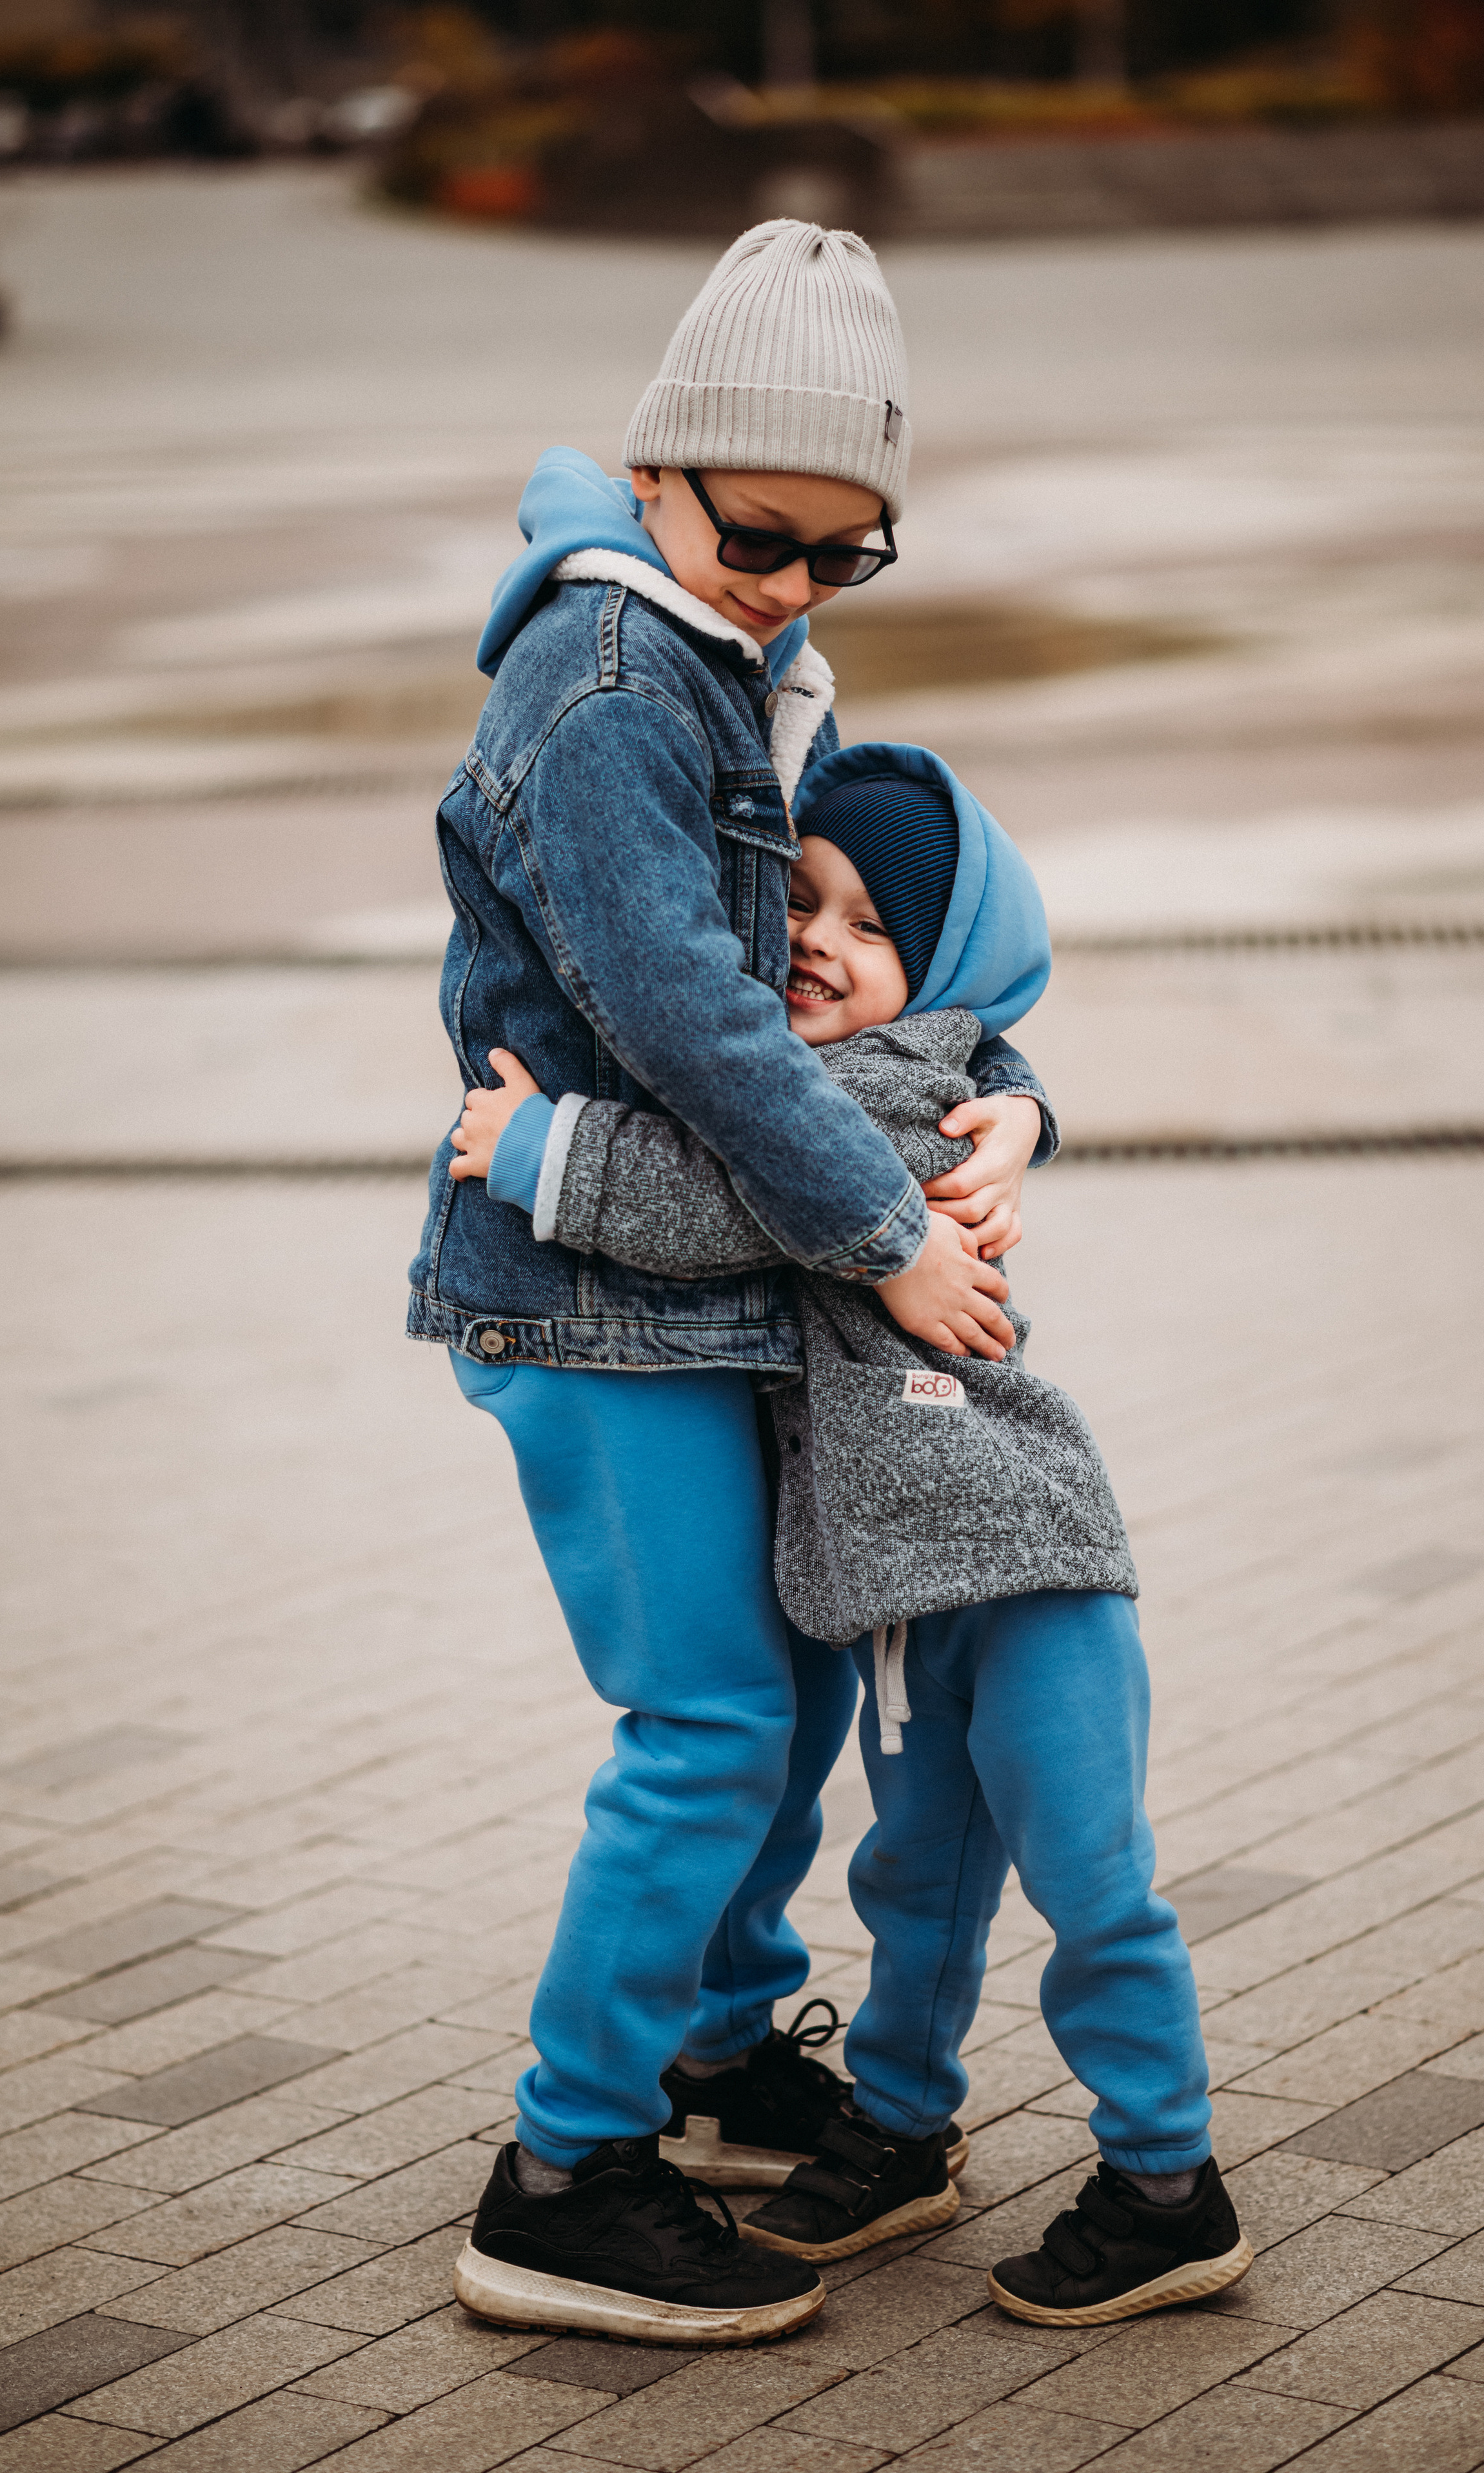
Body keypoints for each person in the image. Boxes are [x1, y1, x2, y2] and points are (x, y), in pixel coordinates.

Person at [408, 220, 1055, 2346]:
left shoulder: (732, 661)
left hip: (704, 1286)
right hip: (592, 1300)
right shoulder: (606, 687)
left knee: (766, 1709)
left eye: (844, 556)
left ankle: (714, 2038)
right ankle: (562, 2172)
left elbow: (875, 968)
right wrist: (883, 1238)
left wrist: (1012, 1103)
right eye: (763, 538)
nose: (794, 584)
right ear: (664, 467)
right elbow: (695, 1021)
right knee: (703, 1721)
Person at [455, 743, 1254, 2330]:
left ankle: (1165, 2183)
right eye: (797, 900)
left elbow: (745, 1194)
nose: (813, 937)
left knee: (1090, 1883)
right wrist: (1028, 1098)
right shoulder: (951, 1080)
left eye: (865, 923)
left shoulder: (894, 1096)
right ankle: (897, 2126)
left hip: (1023, 1571)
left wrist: (541, 1154)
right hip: (900, 1588)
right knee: (917, 1879)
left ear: (942, 974)